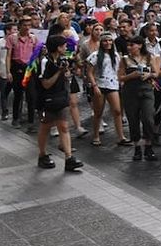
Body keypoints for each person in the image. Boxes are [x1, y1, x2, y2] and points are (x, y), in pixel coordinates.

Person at [35, 35, 83, 172]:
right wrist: (59, 72)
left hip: (61, 97)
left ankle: (69, 158)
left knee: (64, 126)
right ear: (57, 47)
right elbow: (45, 84)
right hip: (47, 99)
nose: (66, 48)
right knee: (45, 127)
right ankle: (42, 154)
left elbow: (66, 76)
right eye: (63, 45)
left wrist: (66, 72)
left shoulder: (62, 59)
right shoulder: (45, 61)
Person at [118, 35, 159, 162]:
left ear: (140, 45)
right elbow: (120, 77)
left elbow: (156, 73)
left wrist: (149, 75)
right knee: (133, 120)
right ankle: (137, 148)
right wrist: (132, 75)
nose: (129, 47)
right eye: (128, 45)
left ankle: (148, 145)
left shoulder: (148, 57)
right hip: (130, 92)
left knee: (148, 118)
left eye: (132, 45)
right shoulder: (124, 60)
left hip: (146, 90)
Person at [87, 32, 128, 146]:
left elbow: (119, 70)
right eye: (105, 41)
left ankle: (120, 136)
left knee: (117, 110)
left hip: (113, 85)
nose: (108, 43)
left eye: (110, 40)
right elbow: (89, 72)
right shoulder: (95, 55)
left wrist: (121, 81)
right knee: (98, 113)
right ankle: (95, 136)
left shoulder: (115, 55)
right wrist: (94, 85)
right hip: (100, 85)